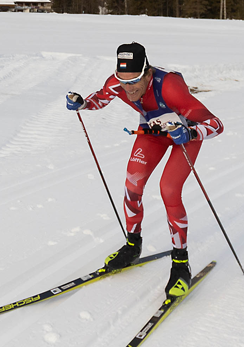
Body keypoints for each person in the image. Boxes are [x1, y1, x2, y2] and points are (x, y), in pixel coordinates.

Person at [66, 42, 224, 297]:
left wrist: (192, 131)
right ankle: (132, 245)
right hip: (153, 134)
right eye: (123, 81)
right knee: (132, 185)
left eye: (135, 82)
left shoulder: (170, 87)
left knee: (169, 190)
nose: (129, 89)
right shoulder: (118, 83)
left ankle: (180, 264)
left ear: (147, 73)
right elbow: (101, 99)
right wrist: (82, 104)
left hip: (186, 136)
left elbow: (216, 124)